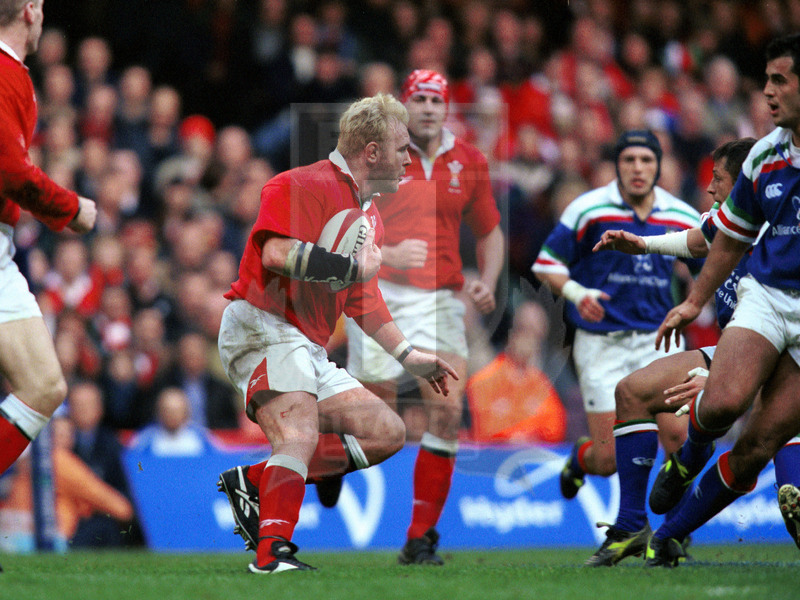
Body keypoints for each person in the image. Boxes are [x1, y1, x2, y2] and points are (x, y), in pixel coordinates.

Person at [215, 93, 458, 574]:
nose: (410, 158)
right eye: (402, 147)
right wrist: (349, 265)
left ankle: (257, 482)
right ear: (371, 152)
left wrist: (410, 356)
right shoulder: (301, 184)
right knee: (299, 433)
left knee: (386, 432)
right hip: (262, 324)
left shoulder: (371, 217)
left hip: (307, 343)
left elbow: (362, 299)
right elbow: (275, 254)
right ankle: (273, 555)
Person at [583, 137, 796, 565]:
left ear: (744, 184)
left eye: (718, 180)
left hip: (780, 367)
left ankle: (671, 530)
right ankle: (630, 526)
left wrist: (714, 382)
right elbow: (698, 240)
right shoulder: (725, 222)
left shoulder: (778, 235)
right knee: (631, 391)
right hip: (740, 352)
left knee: (766, 461)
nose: (711, 188)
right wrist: (641, 244)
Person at [639, 33, 800, 567]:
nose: (768, 93)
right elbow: (726, 236)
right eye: (766, 81)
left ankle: (668, 535)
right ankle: (689, 457)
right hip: (769, 297)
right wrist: (694, 302)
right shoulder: (765, 156)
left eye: (780, 80)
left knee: (758, 445)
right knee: (725, 402)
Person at [343, 69, 504, 565]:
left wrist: (488, 280)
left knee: (448, 410)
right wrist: (388, 256)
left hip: (441, 300)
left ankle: (419, 537)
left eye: (438, 99)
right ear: (405, 106)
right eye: (420, 98)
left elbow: (490, 231)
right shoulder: (380, 154)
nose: (429, 107)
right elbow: (344, 222)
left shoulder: (470, 161)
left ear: (448, 107)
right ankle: (331, 468)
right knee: (375, 423)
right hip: (380, 292)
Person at [532, 129, 702, 502]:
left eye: (646, 160)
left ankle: (675, 533)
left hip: (658, 341)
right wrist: (578, 292)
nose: (638, 168)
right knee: (607, 458)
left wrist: (696, 302)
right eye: (629, 160)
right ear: (616, 166)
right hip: (601, 342)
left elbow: (710, 267)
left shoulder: (680, 213)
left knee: (677, 438)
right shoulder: (589, 209)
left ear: (659, 166)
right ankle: (579, 458)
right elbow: (546, 265)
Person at [0, 0, 97, 489]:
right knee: (41, 386)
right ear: (31, 11)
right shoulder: (3, 73)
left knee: (43, 385)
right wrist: (70, 208)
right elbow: (9, 170)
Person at [466, 300, 567, 444]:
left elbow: (556, 428)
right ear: (511, 335)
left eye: (534, 332)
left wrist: (530, 437)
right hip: (494, 456)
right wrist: (511, 438)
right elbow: (481, 429)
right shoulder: (485, 377)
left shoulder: (542, 379)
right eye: (522, 329)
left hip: (535, 453)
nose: (528, 338)